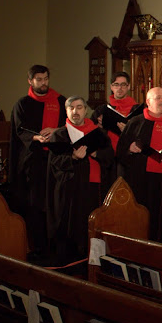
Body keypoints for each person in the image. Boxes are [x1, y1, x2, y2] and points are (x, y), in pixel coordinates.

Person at [116, 87, 162, 245]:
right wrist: (129, 149)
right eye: (158, 98)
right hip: (140, 180)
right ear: (148, 102)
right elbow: (120, 150)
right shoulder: (135, 123)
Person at [46, 96, 113, 264]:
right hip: (71, 190)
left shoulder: (98, 133)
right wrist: (73, 157)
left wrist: (96, 154)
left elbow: (110, 156)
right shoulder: (60, 134)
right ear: (66, 111)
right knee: (72, 227)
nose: (75, 111)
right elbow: (54, 162)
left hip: (95, 188)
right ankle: (70, 264)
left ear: (85, 110)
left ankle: (92, 262)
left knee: (91, 227)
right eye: (71, 108)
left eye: (79, 107)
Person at [9, 64, 66, 258]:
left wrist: (56, 131)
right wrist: (36, 138)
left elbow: (70, 123)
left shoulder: (60, 101)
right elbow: (20, 130)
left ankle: (54, 245)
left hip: (56, 159)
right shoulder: (22, 104)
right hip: (33, 161)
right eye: (39, 80)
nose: (43, 83)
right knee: (34, 204)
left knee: (54, 202)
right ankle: (36, 246)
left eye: (45, 79)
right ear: (30, 81)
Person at [91, 71, 139, 153]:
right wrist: (99, 127)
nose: (120, 88)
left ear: (128, 87)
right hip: (107, 155)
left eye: (123, 84)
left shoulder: (137, 109)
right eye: (116, 84)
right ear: (111, 87)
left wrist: (128, 131)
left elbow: (144, 135)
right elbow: (91, 133)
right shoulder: (102, 109)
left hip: (129, 155)